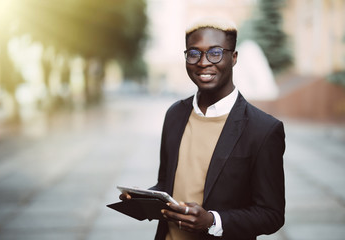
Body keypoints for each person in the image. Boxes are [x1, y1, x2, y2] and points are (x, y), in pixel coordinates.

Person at [121, 17, 286, 240]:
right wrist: (143, 201)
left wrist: (212, 221)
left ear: (233, 57)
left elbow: (271, 214)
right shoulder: (174, 115)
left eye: (215, 52)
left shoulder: (264, 129)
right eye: (194, 53)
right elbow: (167, 182)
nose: (203, 62)